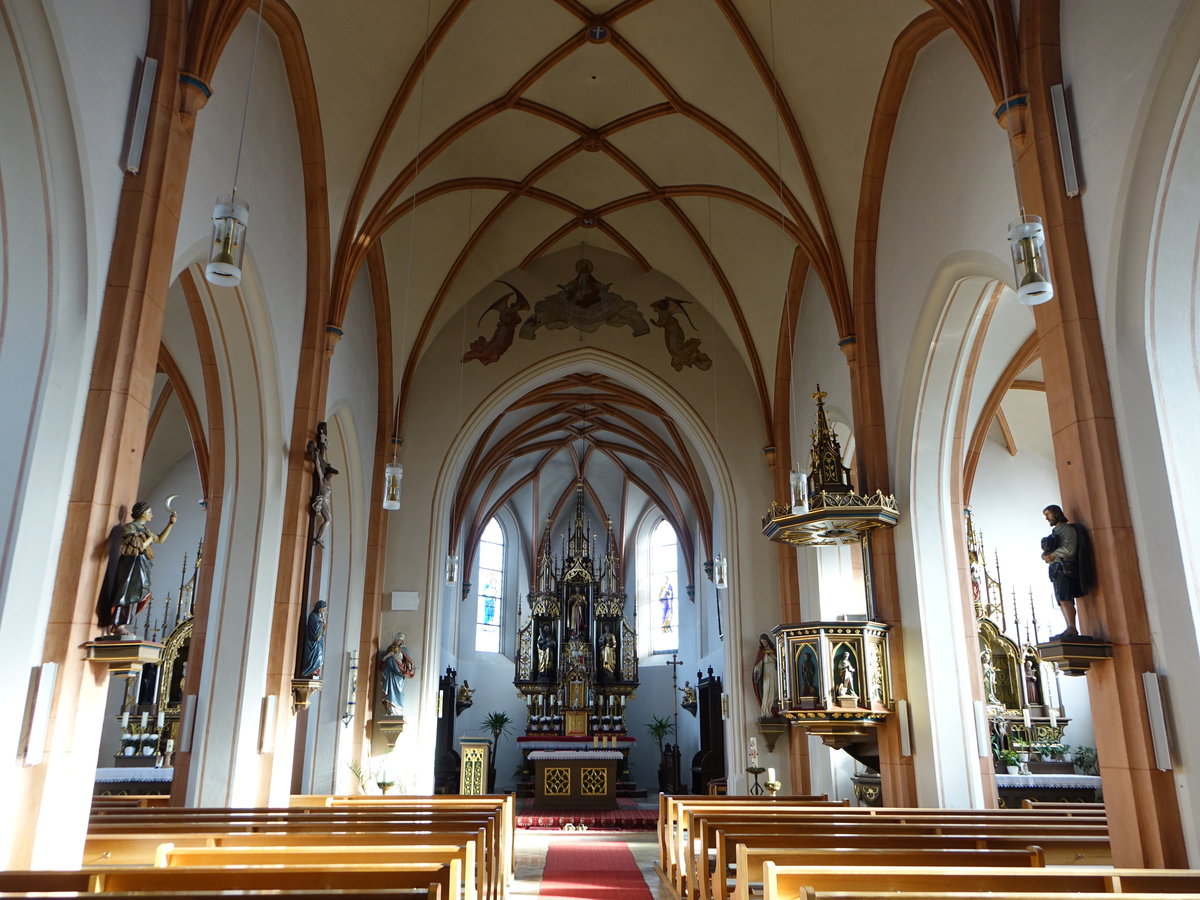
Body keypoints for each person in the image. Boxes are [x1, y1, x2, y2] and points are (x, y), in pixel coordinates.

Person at [101, 501, 178, 636]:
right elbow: (139, 546)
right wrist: (148, 538)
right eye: (150, 512)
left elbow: (159, 539)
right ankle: (119, 625)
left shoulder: (146, 530)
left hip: (142, 563)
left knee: (140, 591)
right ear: (142, 513)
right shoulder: (129, 527)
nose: (152, 515)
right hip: (130, 564)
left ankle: (123, 623)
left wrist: (171, 524)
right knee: (127, 592)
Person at [1041, 504, 1085, 638]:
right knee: (1060, 599)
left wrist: (1053, 555)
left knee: (1065, 597)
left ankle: (1072, 627)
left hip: (1064, 567)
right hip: (1055, 568)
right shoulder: (1056, 532)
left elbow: (1069, 549)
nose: (1047, 519)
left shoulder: (1066, 529)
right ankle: (1069, 626)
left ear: (1056, 514)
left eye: (1048, 515)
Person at [379, 634, 416, 715]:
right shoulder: (389, 648)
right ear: (394, 639)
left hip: (398, 675)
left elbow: (407, 663)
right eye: (397, 639)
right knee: (389, 692)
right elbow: (383, 661)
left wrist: (398, 660)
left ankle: (398, 711)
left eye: (400, 640)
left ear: (402, 641)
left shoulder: (404, 649)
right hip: (389, 674)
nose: (398, 641)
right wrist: (389, 655)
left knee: (398, 692)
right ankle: (390, 711)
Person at [297, 600, 327, 678]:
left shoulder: (318, 617)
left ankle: (314, 671)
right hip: (313, 643)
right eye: (323, 609)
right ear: (319, 608)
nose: (323, 611)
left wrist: (322, 625)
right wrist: (321, 624)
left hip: (319, 642)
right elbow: (315, 633)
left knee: (320, 657)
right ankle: (310, 670)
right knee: (317, 656)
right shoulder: (313, 616)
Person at [751, 633, 779, 717]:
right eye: (762, 642)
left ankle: (775, 708)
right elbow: (759, 664)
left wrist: (772, 656)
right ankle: (767, 710)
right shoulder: (761, 652)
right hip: (766, 673)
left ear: (767, 641)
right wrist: (756, 671)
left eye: (765, 641)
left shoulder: (773, 649)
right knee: (766, 690)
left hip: (774, 671)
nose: (764, 643)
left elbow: (779, 660)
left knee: (775, 689)